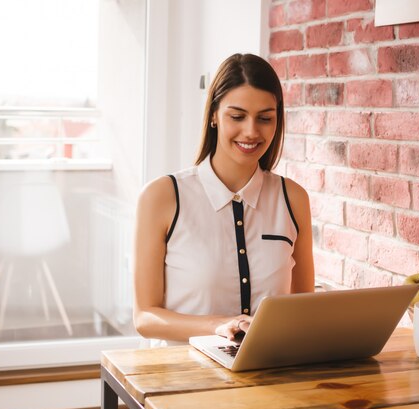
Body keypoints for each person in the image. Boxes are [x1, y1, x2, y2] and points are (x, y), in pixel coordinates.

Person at [133, 53, 314, 344]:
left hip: (270, 378)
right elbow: (145, 317)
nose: (252, 131)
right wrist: (218, 325)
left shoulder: (293, 198)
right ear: (214, 115)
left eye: (265, 118)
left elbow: (306, 309)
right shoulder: (162, 197)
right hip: (186, 379)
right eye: (237, 116)